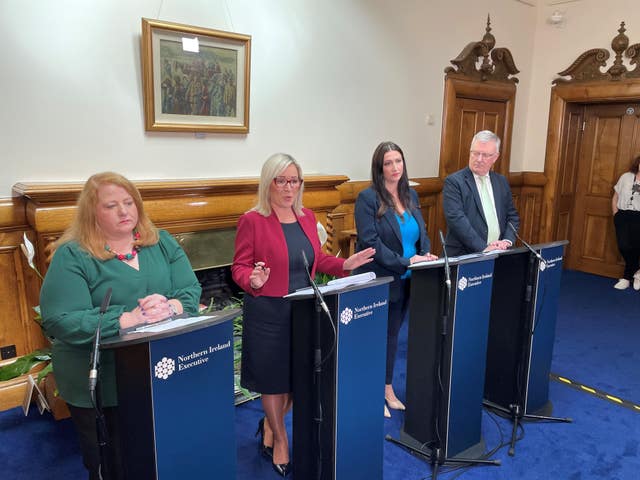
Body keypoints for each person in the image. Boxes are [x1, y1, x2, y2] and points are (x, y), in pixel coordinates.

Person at [39, 172, 202, 480]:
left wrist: (170, 307)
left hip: (160, 373)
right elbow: (60, 320)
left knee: (159, 456)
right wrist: (128, 319)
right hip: (102, 382)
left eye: (129, 202)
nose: (124, 211)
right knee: (112, 464)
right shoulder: (73, 255)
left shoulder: (161, 242)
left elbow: (190, 291)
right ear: (92, 213)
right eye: (111, 205)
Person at [231, 153, 375, 477]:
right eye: (281, 180)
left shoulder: (307, 217)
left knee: (300, 381)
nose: (288, 187)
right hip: (268, 310)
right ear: (268, 183)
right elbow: (239, 266)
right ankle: (280, 439)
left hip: (303, 309)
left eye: (294, 180)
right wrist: (251, 279)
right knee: (274, 381)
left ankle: (269, 423)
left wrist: (344, 265)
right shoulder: (252, 220)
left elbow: (316, 260)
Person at [353, 141, 438, 418]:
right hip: (380, 279)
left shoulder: (410, 194)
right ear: (379, 168)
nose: (394, 168)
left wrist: (425, 255)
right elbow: (371, 242)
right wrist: (406, 262)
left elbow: (422, 232)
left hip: (411, 279)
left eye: (398, 161)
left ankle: (387, 388)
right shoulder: (368, 199)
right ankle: (369, 391)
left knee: (392, 337)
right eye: (388, 163)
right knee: (375, 339)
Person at [442, 130, 520, 256]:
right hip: (465, 255)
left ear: (495, 157)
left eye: (485, 155)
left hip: (499, 253)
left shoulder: (501, 181)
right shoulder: (454, 182)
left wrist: (506, 241)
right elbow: (456, 220)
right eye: (475, 153)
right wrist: (484, 248)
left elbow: (512, 216)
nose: (479, 159)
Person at [612, 155, 640, 290]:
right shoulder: (626, 177)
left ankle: (626, 277)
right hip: (622, 215)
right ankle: (637, 271)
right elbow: (616, 195)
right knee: (623, 245)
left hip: (638, 216)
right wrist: (615, 213)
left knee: (635, 247)